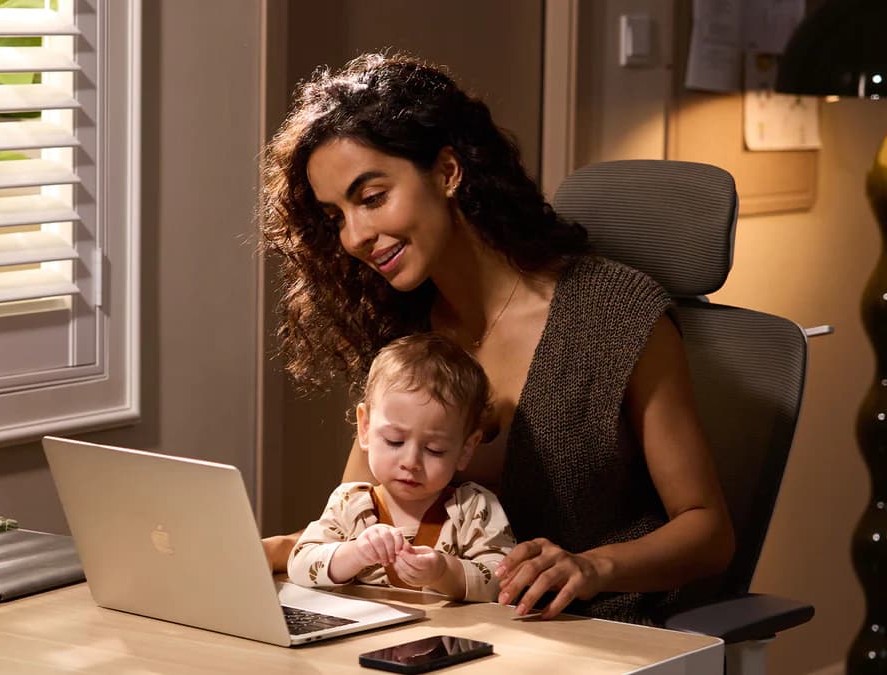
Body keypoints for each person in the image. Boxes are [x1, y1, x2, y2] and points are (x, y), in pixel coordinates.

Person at [259, 52, 735, 625]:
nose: (355, 235)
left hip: (588, 631)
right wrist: (272, 551)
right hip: (432, 631)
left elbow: (708, 530)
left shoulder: (616, 315)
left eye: (372, 197)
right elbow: (362, 509)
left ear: (448, 172)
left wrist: (593, 567)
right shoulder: (405, 331)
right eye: (335, 216)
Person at [287, 333, 514, 601]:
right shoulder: (351, 504)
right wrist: (355, 553)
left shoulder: (473, 509)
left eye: (434, 450)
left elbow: (502, 580)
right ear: (365, 428)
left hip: (447, 639)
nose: (411, 462)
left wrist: (444, 572)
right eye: (395, 441)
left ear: (466, 448)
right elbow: (300, 565)